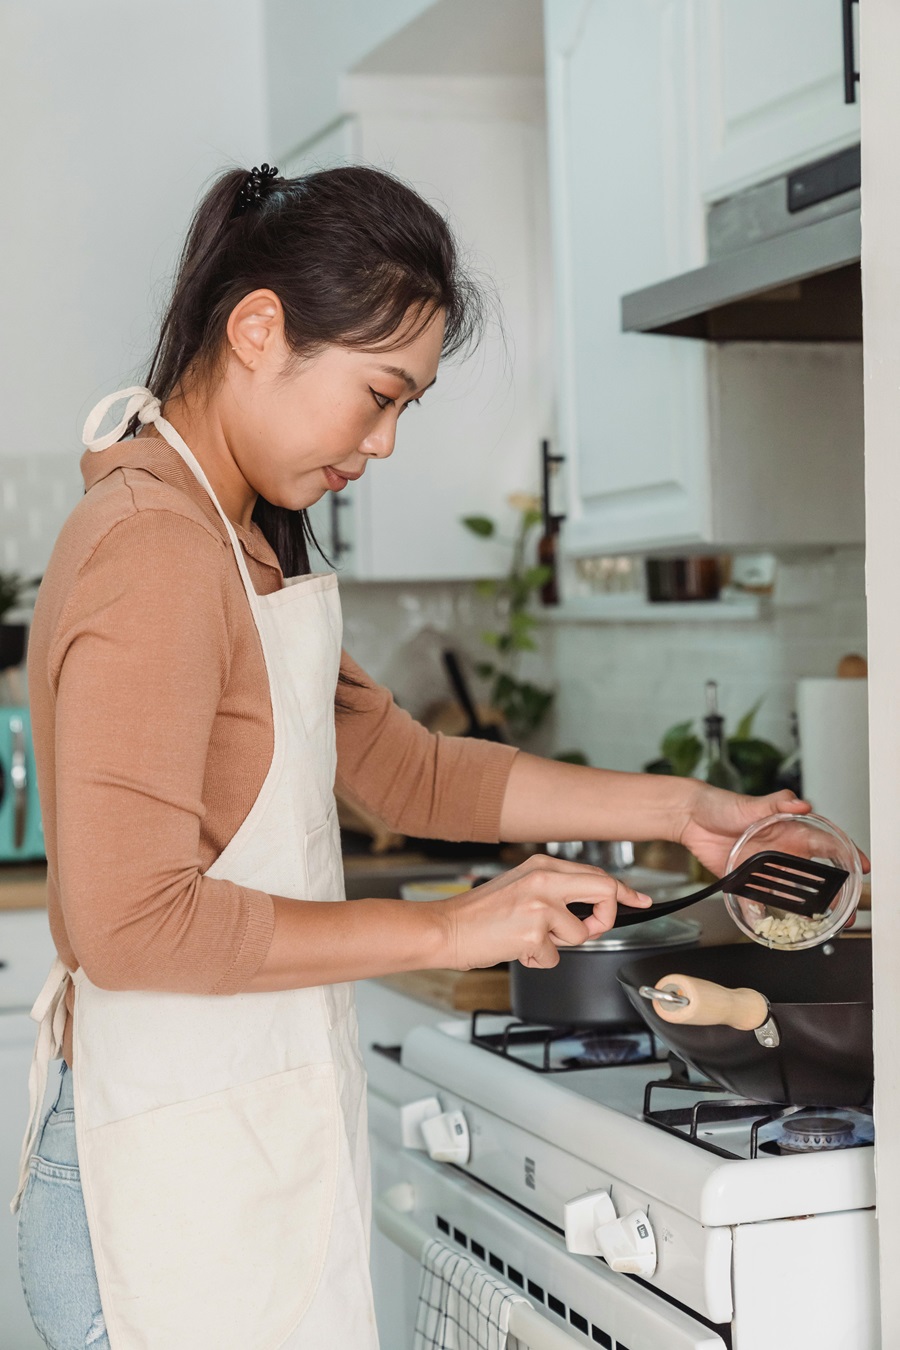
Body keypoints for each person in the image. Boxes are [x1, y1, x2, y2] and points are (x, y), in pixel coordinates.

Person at [13, 163, 807, 1350]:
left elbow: (411, 771)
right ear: (260, 328)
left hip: (218, 1156)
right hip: (159, 1195)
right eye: (379, 394)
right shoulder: (157, 551)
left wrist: (688, 807)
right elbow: (132, 922)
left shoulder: (231, 540)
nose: (382, 444)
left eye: (407, 409)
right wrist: (455, 928)